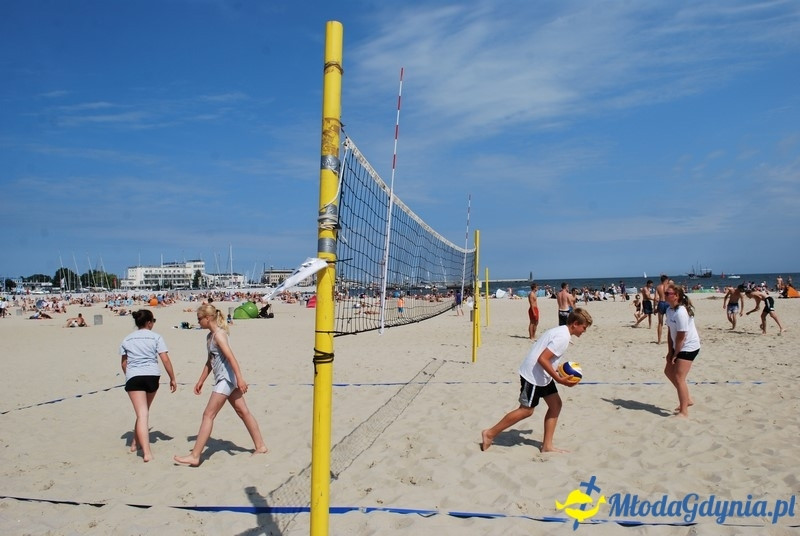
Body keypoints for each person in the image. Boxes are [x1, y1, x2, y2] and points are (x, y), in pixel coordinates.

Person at [481, 308, 593, 453]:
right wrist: (559, 379)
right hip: (533, 375)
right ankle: (489, 434)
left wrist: (558, 370)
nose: (584, 331)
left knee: (556, 405)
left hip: (542, 374)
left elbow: (546, 357)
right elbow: (542, 359)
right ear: (575, 324)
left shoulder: (561, 331)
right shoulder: (563, 337)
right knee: (526, 411)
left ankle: (547, 446)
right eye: (584, 327)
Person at [174, 304, 268, 466]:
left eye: (199, 319)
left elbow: (231, 358)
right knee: (243, 412)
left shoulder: (219, 335)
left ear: (208, 318)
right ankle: (261, 446)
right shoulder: (209, 337)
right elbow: (210, 362)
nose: (198, 322)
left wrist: (240, 379)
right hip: (225, 379)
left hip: (226, 379)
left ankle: (195, 456)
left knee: (208, 415)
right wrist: (201, 380)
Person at [119, 309, 177, 462]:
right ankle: (145, 451)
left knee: (142, 413)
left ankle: (135, 442)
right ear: (149, 322)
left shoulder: (127, 339)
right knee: (143, 412)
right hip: (151, 376)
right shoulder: (156, 337)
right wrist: (172, 378)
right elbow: (165, 359)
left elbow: (124, 363)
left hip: (134, 376)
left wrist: (129, 375)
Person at [663, 284, 700, 418]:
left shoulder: (681, 312)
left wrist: (676, 353)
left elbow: (681, 336)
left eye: (668, 294)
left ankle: (684, 411)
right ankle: (687, 399)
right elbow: (670, 332)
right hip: (678, 345)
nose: (665, 295)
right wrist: (670, 351)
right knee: (668, 371)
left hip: (689, 346)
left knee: (679, 378)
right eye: (665, 293)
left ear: (676, 296)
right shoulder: (669, 310)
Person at [655, 274, 670, 344]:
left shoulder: (658, 287)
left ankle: (659, 340)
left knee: (660, 323)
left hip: (661, 303)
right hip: (667, 303)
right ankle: (670, 339)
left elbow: (655, 298)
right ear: (666, 280)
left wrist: (654, 307)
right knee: (670, 322)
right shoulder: (669, 286)